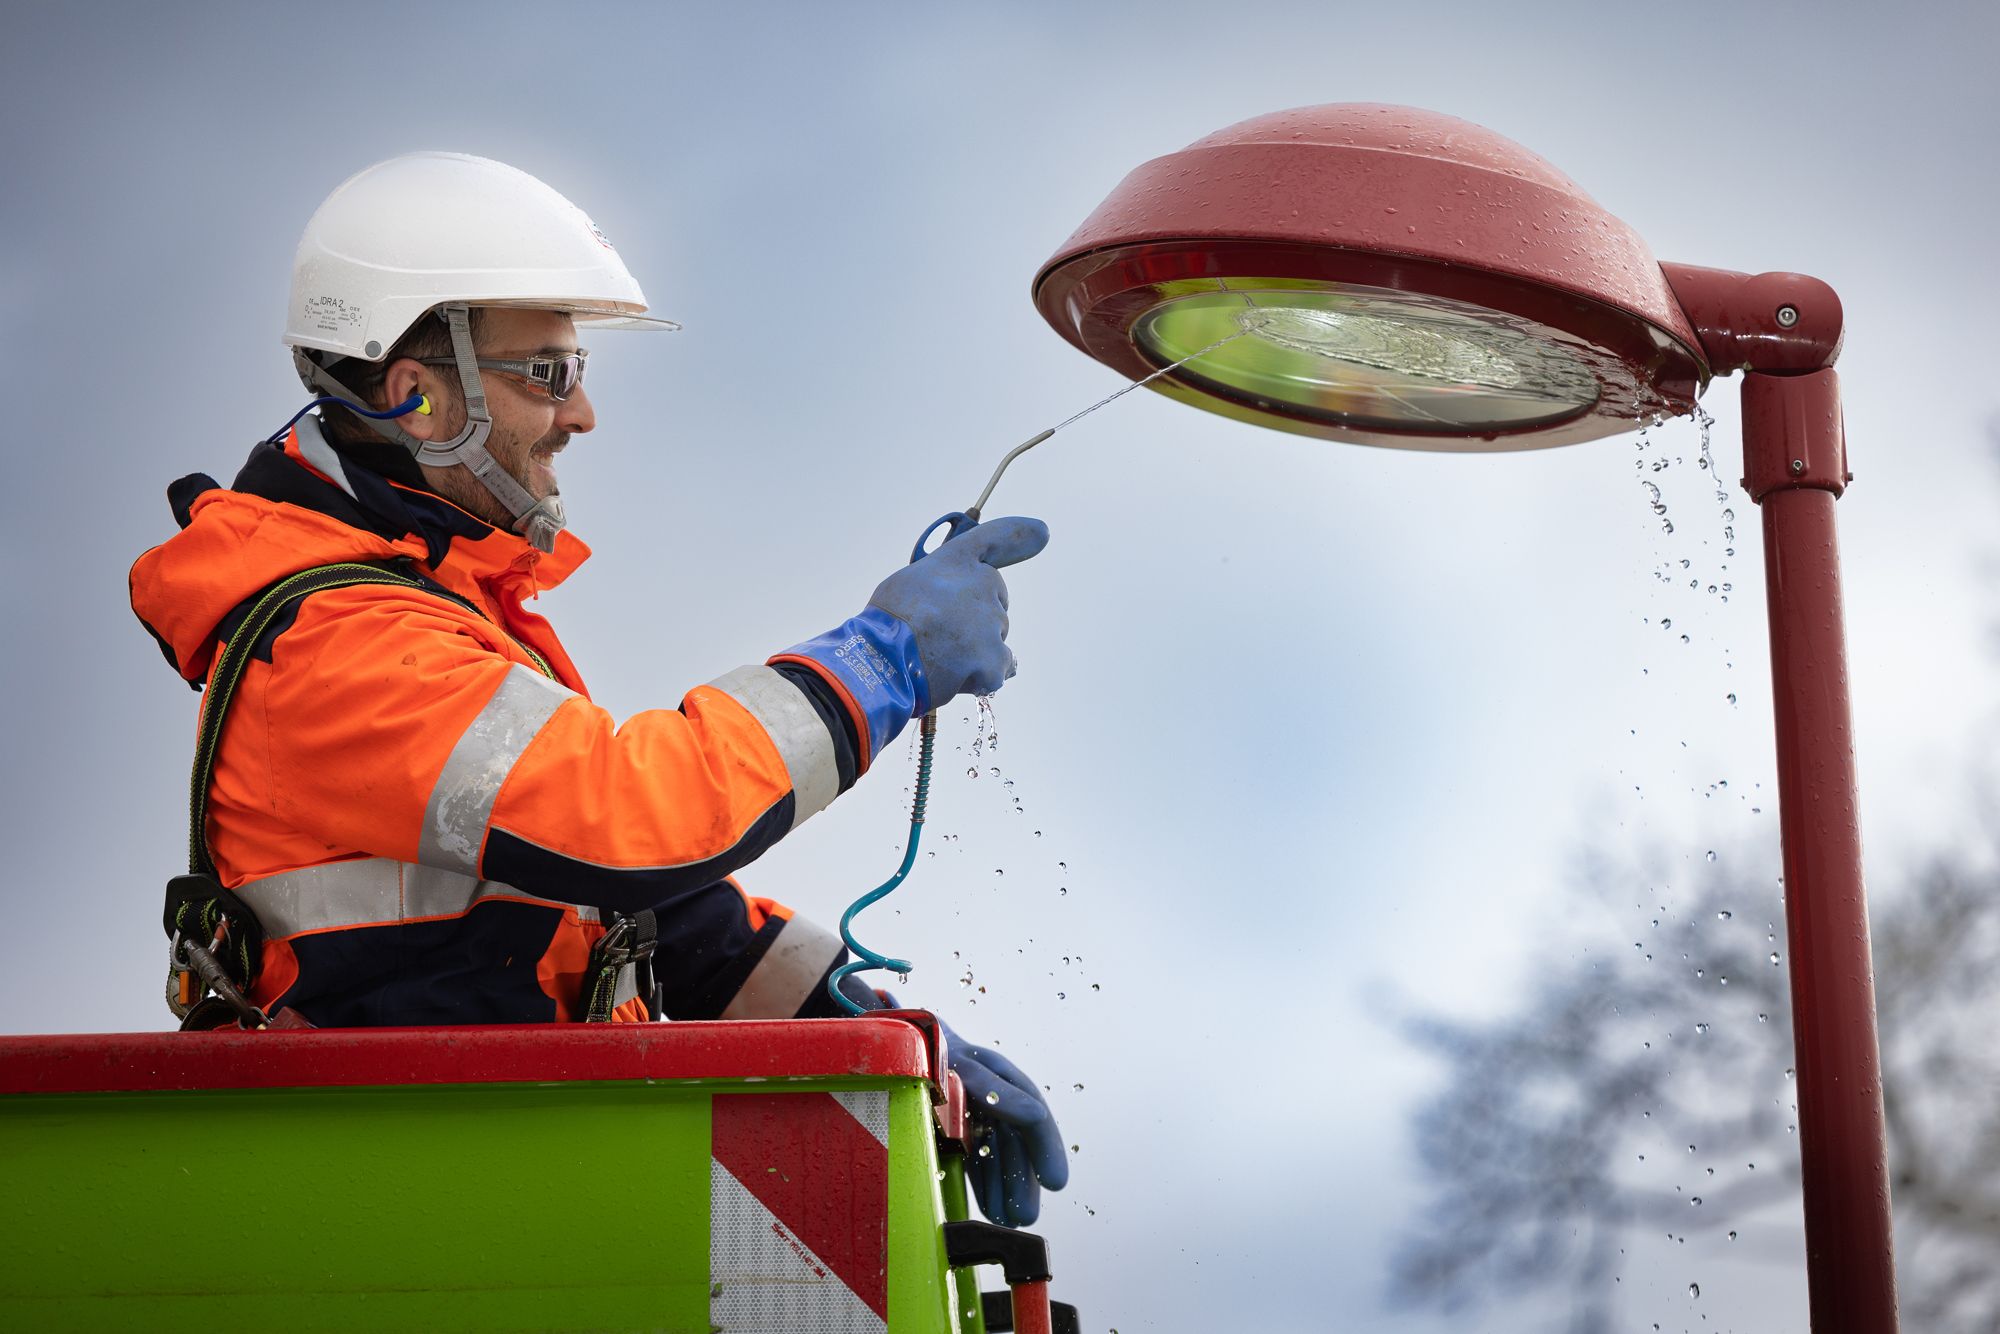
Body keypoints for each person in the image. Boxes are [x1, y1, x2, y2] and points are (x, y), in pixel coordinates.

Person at [128, 152, 1065, 1226]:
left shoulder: (434, 612)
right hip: (388, 1208)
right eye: (551, 372)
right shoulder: (337, 642)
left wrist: (870, 1024)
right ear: (419, 399)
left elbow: (627, 909)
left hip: (467, 1179)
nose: (581, 417)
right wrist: (881, 661)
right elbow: (624, 819)